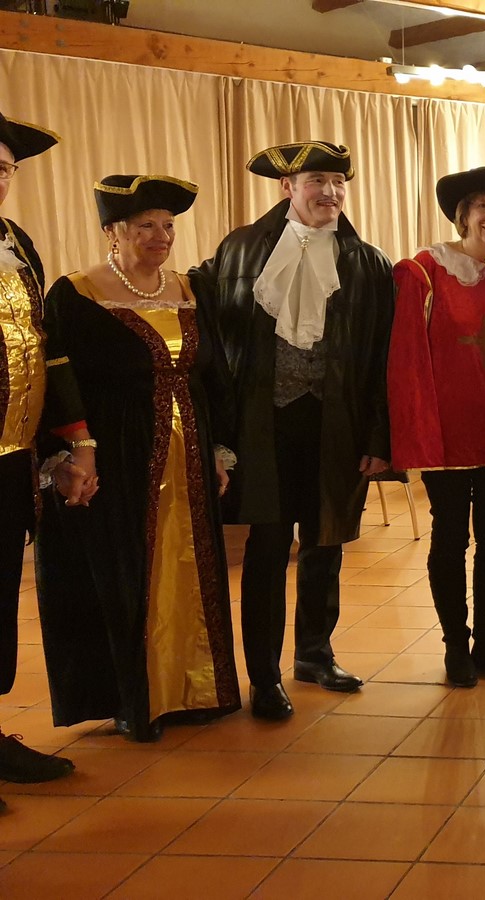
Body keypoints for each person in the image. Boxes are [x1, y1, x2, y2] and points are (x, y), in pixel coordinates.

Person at [191, 141, 394, 720]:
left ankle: (314, 654)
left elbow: (383, 357)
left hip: (337, 424)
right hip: (263, 424)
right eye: (315, 180)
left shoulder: (368, 262)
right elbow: (210, 337)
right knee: (268, 547)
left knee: (325, 544)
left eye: (337, 181)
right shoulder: (240, 249)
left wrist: (379, 438)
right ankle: (263, 676)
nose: (329, 192)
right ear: (287, 187)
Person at [35, 175, 241, 742]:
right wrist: (75, 449)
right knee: (126, 569)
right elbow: (58, 378)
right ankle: (135, 695)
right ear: (113, 231)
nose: (161, 237)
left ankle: (194, 687)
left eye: (168, 226)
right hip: (119, 453)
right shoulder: (76, 293)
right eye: (145, 225)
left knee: (190, 564)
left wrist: (218, 449)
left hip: (188, 451)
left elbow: (215, 376)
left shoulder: (192, 288)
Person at [390, 166, 485, 688]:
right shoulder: (424, 271)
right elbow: (407, 359)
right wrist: (417, 434)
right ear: (463, 214)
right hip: (447, 434)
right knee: (449, 536)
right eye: (483, 207)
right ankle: (456, 643)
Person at [0, 110, 81, 794]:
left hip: (11, 459)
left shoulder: (18, 243)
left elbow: (44, 347)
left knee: (1, 598)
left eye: (3, 170)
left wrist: (70, 442)